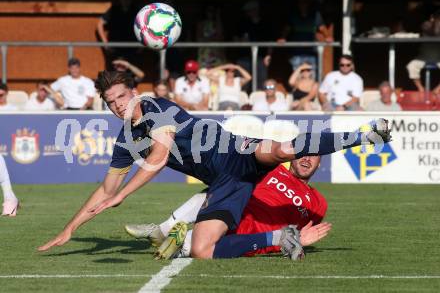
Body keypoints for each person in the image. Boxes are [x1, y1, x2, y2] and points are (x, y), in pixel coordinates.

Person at [38, 70, 391, 260]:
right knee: (204, 250)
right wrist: (73, 228)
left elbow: (159, 159)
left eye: (121, 96)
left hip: (236, 151)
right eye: (110, 101)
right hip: (227, 183)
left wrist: (121, 197)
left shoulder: (157, 106)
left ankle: (363, 136)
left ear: (134, 93)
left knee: (284, 150)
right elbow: (105, 189)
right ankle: (280, 238)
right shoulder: (125, 140)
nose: (117, 105)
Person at [125, 155, 331, 259]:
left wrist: (301, 241)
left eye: (314, 155)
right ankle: (165, 229)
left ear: (320, 162)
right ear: (292, 156)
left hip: (246, 238)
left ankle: (175, 244)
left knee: (191, 245)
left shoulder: (318, 202)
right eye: (303, 153)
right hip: (228, 215)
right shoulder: (271, 167)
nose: (307, 158)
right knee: (223, 187)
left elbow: (300, 233)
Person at [234, 0, 274, 89]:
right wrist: (241, 41)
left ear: (256, 10)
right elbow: (235, 39)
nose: (249, 13)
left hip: (261, 58)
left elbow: (270, 41)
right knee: (243, 83)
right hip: (244, 58)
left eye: (250, 10)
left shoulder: (265, 23)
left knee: (261, 82)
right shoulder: (242, 23)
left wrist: (268, 55)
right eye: (247, 11)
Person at [96, 0, 139, 68]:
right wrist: (105, 43)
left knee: (131, 75)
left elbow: (144, 27)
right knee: (113, 74)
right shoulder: (113, 10)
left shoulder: (136, 11)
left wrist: (141, 46)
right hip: (114, 49)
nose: (126, 0)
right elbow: (100, 24)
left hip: (131, 50)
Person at [406, 10, 440, 93]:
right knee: (411, 66)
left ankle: (438, 89)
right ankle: (421, 88)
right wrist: (436, 21)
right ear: (432, 18)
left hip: (438, 57)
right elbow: (434, 32)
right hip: (423, 57)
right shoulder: (426, 24)